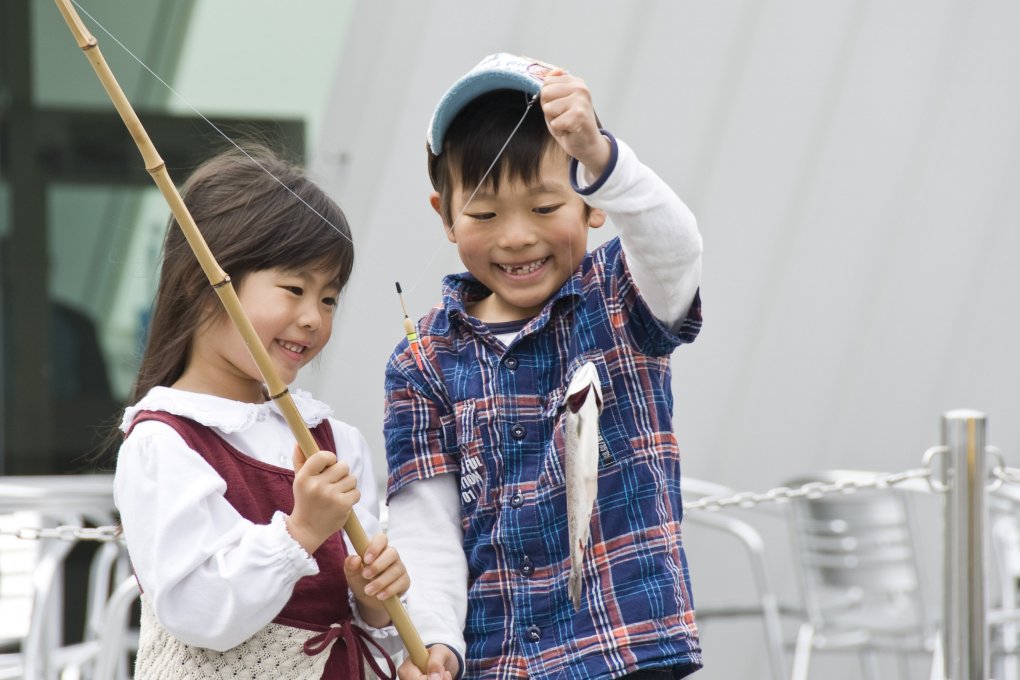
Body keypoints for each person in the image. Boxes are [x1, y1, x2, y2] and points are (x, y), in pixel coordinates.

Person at [384, 53, 704, 680]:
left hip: (626, 651)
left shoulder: (619, 295)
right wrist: (434, 641)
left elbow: (676, 247)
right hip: (498, 663)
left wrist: (602, 155)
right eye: (484, 214)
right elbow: (426, 523)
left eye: (543, 206)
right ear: (444, 215)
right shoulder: (421, 359)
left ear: (592, 202)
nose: (516, 237)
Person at [115, 145, 407, 679]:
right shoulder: (164, 441)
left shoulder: (334, 439)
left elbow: (368, 624)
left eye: (329, 298)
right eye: (295, 289)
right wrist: (300, 531)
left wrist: (371, 596)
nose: (313, 318)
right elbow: (198, 612)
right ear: (200, 283)